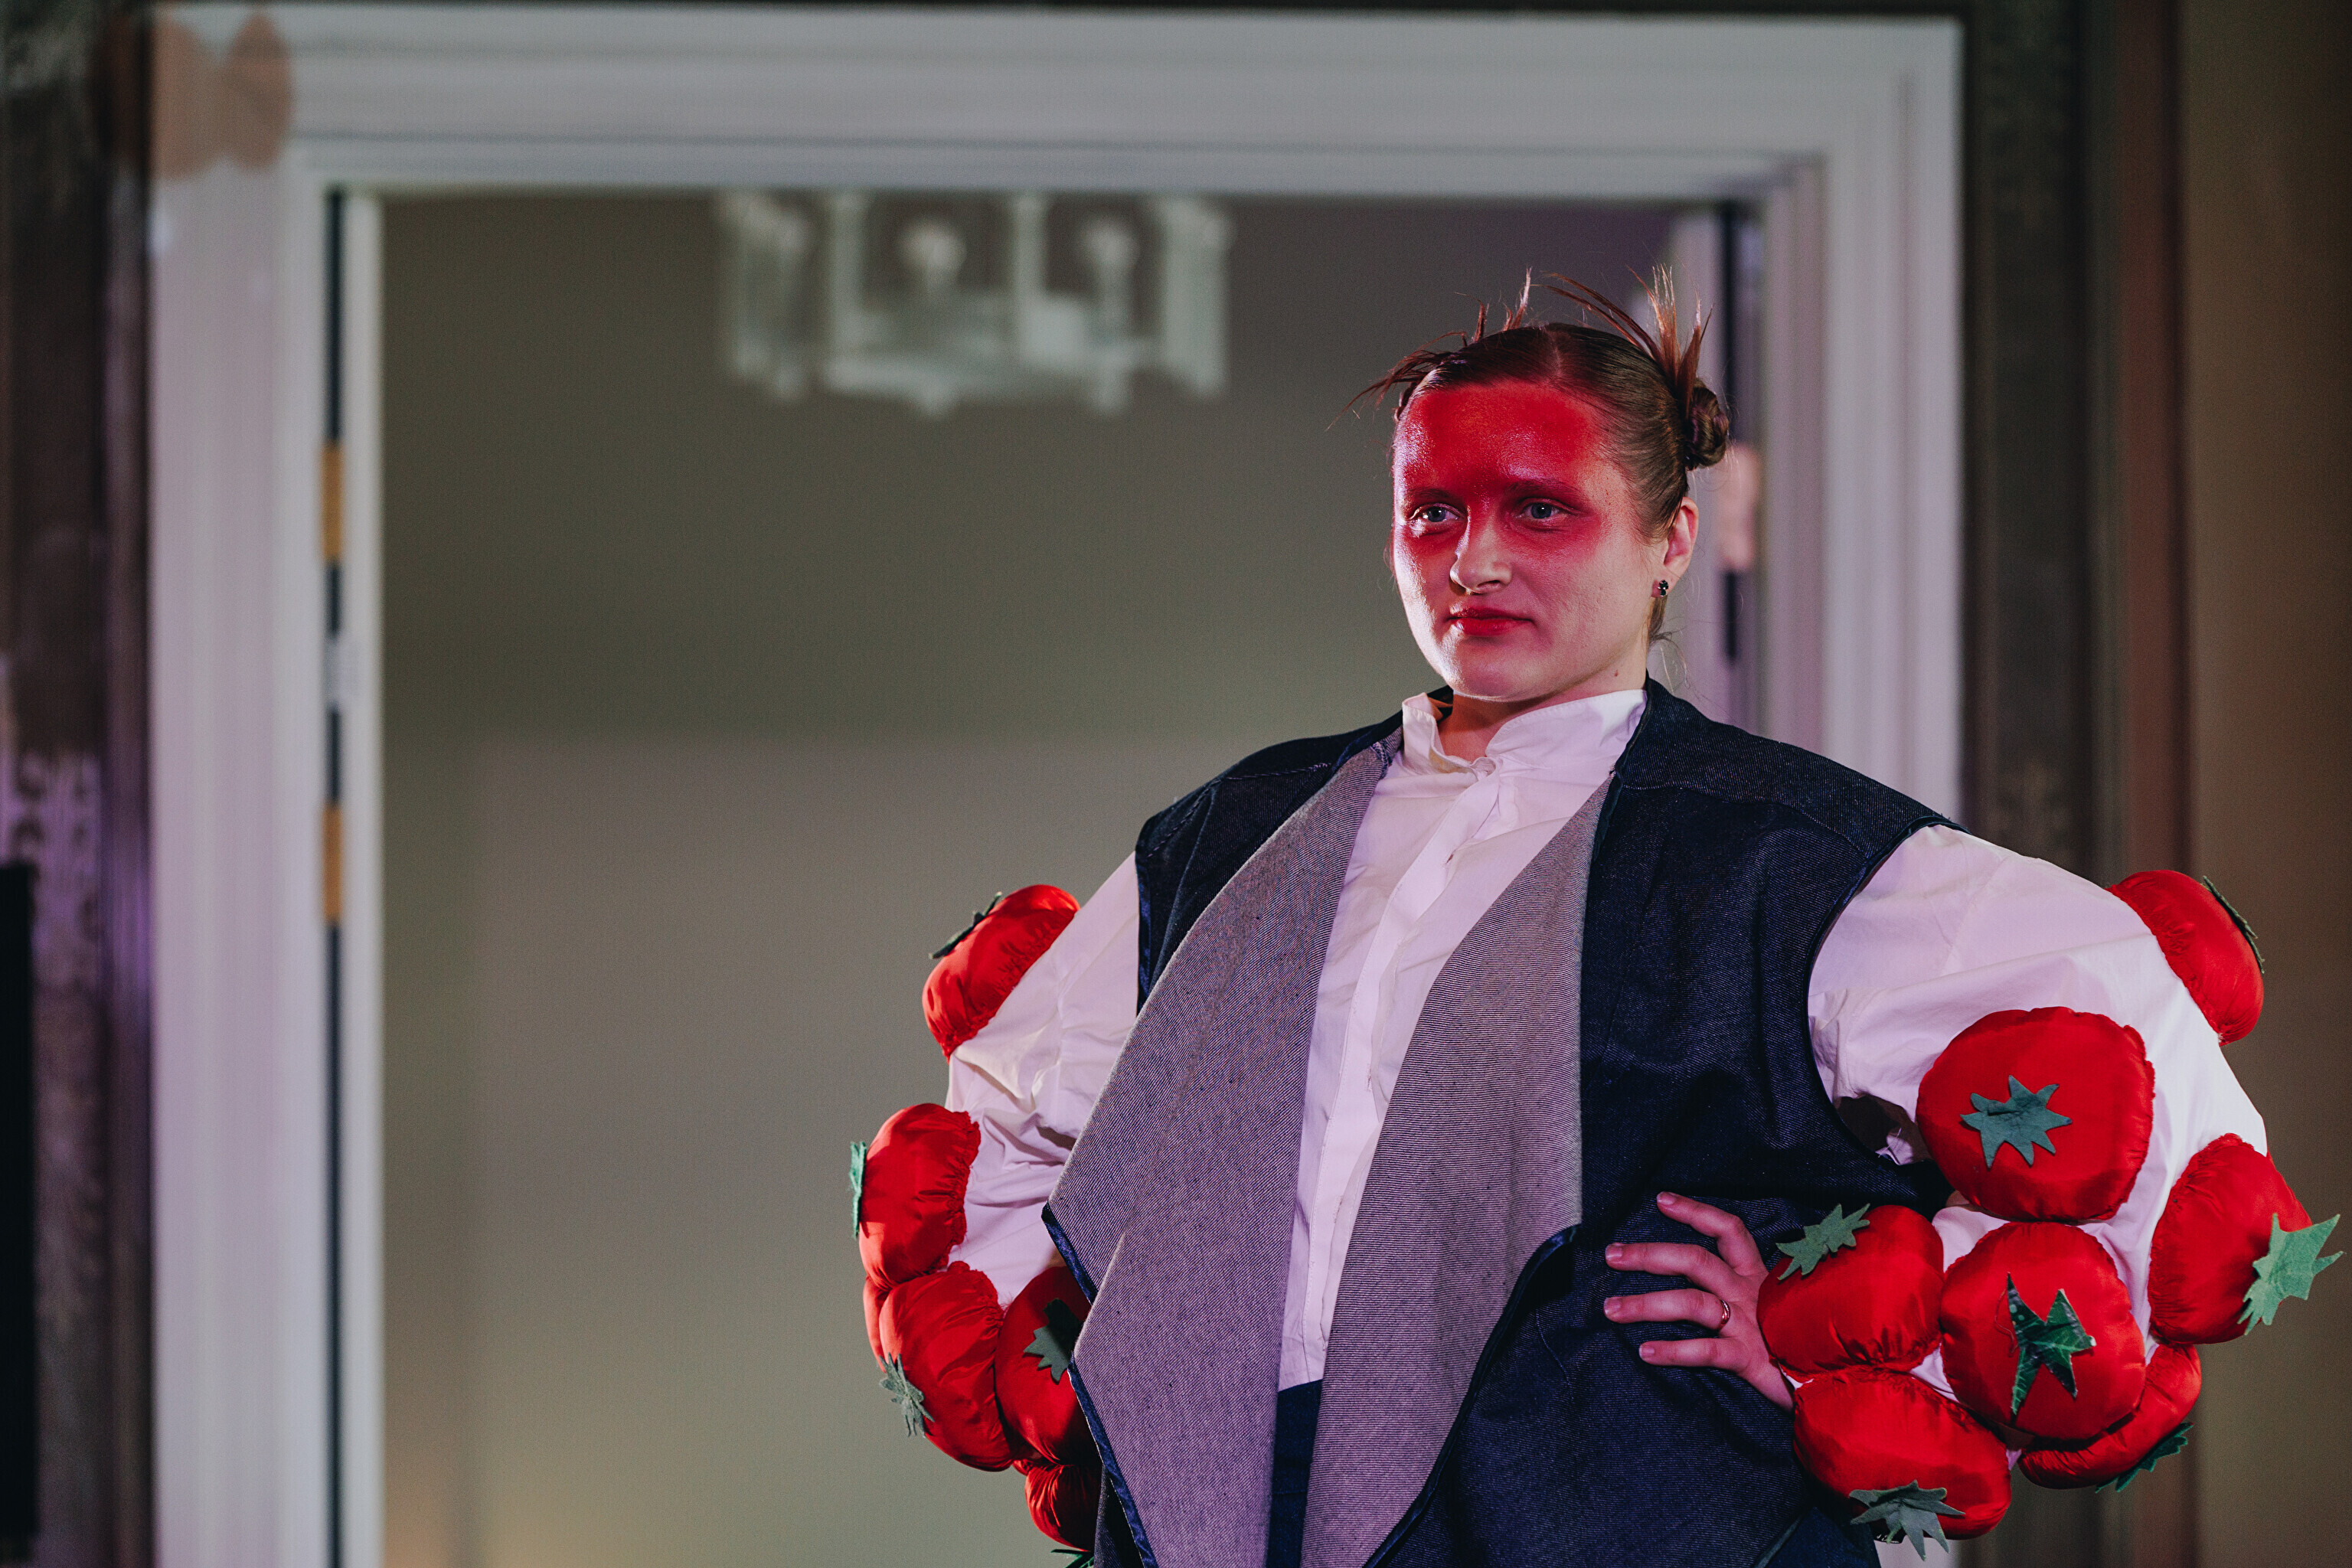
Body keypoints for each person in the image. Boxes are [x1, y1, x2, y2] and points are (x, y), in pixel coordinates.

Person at [870, 277, 2280, 1567]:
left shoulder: (1785, 853)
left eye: (1541, 510)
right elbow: (1006, 1126)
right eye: (1434, 511)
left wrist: (1842, 1350)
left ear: (1671, 540)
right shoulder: (1236, 830)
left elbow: (2144, 1083)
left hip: (1641, 1513)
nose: (1474, 560)